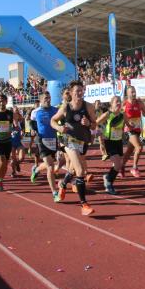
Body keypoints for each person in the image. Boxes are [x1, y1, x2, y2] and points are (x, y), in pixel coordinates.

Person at [51, 80, 97, 216]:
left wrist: (89, 123)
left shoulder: (88, 106)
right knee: (80, 170)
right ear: (71, 93)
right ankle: (84, 205)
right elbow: (52, 121)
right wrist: (59, 127)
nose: (79, 93)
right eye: (77, 91)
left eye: (81, 90)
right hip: (69, 141)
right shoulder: (66, 107)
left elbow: (95, 125)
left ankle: (63, 185)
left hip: (83, 141)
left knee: (71, 169)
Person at [30, 91, 61, 202]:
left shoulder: (55, 110)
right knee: (50, 166)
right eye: (46, 99)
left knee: (50, 162)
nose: (48, 100)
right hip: (41, 140)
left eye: (49, 98)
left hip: (53, 139)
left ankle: (37, 169)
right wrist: (33, 130)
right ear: (41, 100)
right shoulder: (35, 112)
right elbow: (31, 122)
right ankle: (55, 193)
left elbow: (60, 121)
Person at [97, 96, 124, 194]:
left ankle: (108, 177)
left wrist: (130, 127)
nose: (118, 103)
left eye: (119, 101)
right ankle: (109, 183)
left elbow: (127, 125)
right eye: (116, 102)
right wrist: (100, 131)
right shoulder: (108, 114)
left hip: (119, 142)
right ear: (111, 104)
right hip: (109, 142)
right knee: (117, 164)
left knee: (118, 165)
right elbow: (96, 123)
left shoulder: (122, 115)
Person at [121, 86, 145, 177]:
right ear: (127, 94)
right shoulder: (124, 104)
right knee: (139, 147)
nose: (134, 93)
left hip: (137, 130)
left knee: (129, 151)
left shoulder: (139, 102)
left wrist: (144, 108)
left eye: (134, 91)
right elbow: (120, 117)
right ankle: (134, 167)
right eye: (132, 92)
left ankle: (121, 166)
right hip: (129, 130)